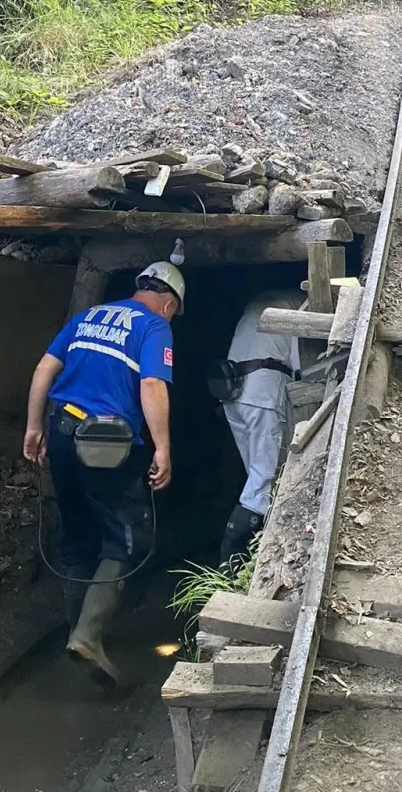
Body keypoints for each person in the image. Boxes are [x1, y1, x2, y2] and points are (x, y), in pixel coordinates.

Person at [23, 261, 183, 683]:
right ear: (168, 305)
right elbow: (152, 384)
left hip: (60, 430)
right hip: (106, 445)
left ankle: (76, 632)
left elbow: (44, 369)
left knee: (77, 534)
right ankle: (88, 636)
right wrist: (163, 447)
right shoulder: (154, 327)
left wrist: (34, 427)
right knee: (129, 539)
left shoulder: (88, 316)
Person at [215, 290, 302, 569]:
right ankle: (234, 561)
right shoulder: (299, 309)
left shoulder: (254, 305)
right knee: (264, 481)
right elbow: (302, 366)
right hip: (262, 396)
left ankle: (246, 555)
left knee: (255, 476)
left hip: (232, 394)